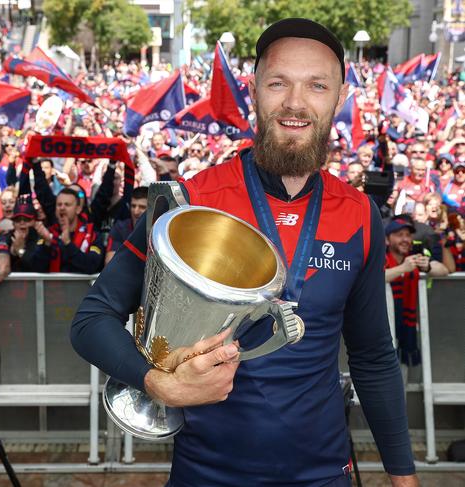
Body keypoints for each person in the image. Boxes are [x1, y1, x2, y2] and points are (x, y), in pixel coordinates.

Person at [71, 19, 419, 487]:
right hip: (205, 474)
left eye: (317, 85)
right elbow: (91, 318)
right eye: (279, 83)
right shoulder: (190, 200)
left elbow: (374, 355)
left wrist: (403, 476)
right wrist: (158, 383)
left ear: (339, 98)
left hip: (322, 474)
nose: (296, 102)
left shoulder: (360, 214)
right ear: (254, 90)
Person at [384, 218, 449, 366]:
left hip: (406, 327)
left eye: (408, 235)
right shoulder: (379, 257)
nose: (405, 239)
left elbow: (444, 270)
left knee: (403, 370)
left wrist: (427, 267)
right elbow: (371, 279)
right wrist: (402, 269)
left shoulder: (414, 257)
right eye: (399, 235)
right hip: (381, 327)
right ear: (387, 240)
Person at [47, 188, 104, 273]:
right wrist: (45, 245)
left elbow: (92, 265)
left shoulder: (92, 234)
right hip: (52, 286)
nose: (62, 208)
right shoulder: (48, 233)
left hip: (82, 286)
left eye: (67, 205)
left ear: (78, 209)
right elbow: (36, 266)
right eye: (59, 205)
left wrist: (68, 244)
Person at [105, 186, 148, 265]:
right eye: (133, 206)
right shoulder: (120, 228)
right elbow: (110, 262)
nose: (136, 212)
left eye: (142, 207)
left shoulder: (158, 231)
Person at [7, 197, 52, 272]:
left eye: (26, 219)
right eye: (18, 220)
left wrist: (20, 251)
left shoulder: (41, 239)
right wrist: (13, 253)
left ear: (35, 221)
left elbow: (40, 268)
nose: (22, 223)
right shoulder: (7, 238)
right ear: (13, 223)